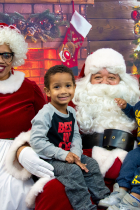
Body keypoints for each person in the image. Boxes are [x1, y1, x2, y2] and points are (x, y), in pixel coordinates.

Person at [33, 48, 140, 210]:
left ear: (122, 81)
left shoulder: (133, 100)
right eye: (98, 77)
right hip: (86, 168)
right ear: (88, 80)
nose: (105, 82)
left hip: (129, 170)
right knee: (52, 192)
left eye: (111, 77)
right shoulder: (71, 103)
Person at [29, 65, 110, 210]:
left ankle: (104, 199)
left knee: (91, 164)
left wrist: (76, 155)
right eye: (57, 87)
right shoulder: (46, 113)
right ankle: (84, 207)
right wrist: (64, 155)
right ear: (47, 91)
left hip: (68, 155)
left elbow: (76, 136)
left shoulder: (71, 111)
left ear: (74, 88)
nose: (64, 91)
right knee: (72, 171)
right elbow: (36, 141)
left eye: (68, 86)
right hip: (50, 159)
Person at [0, 23, 54, 210]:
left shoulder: (28, 88)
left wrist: (24, 148)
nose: (1, 61)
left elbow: (45, 124)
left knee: (15, 194)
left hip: (17, 156)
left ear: (14, 56)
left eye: (6, 55)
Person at [98, 98, 140, 210]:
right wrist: (126, 107)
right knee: (131, 158)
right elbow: (133, 113)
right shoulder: (138, 105)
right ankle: (122, 191)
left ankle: (135, 199)